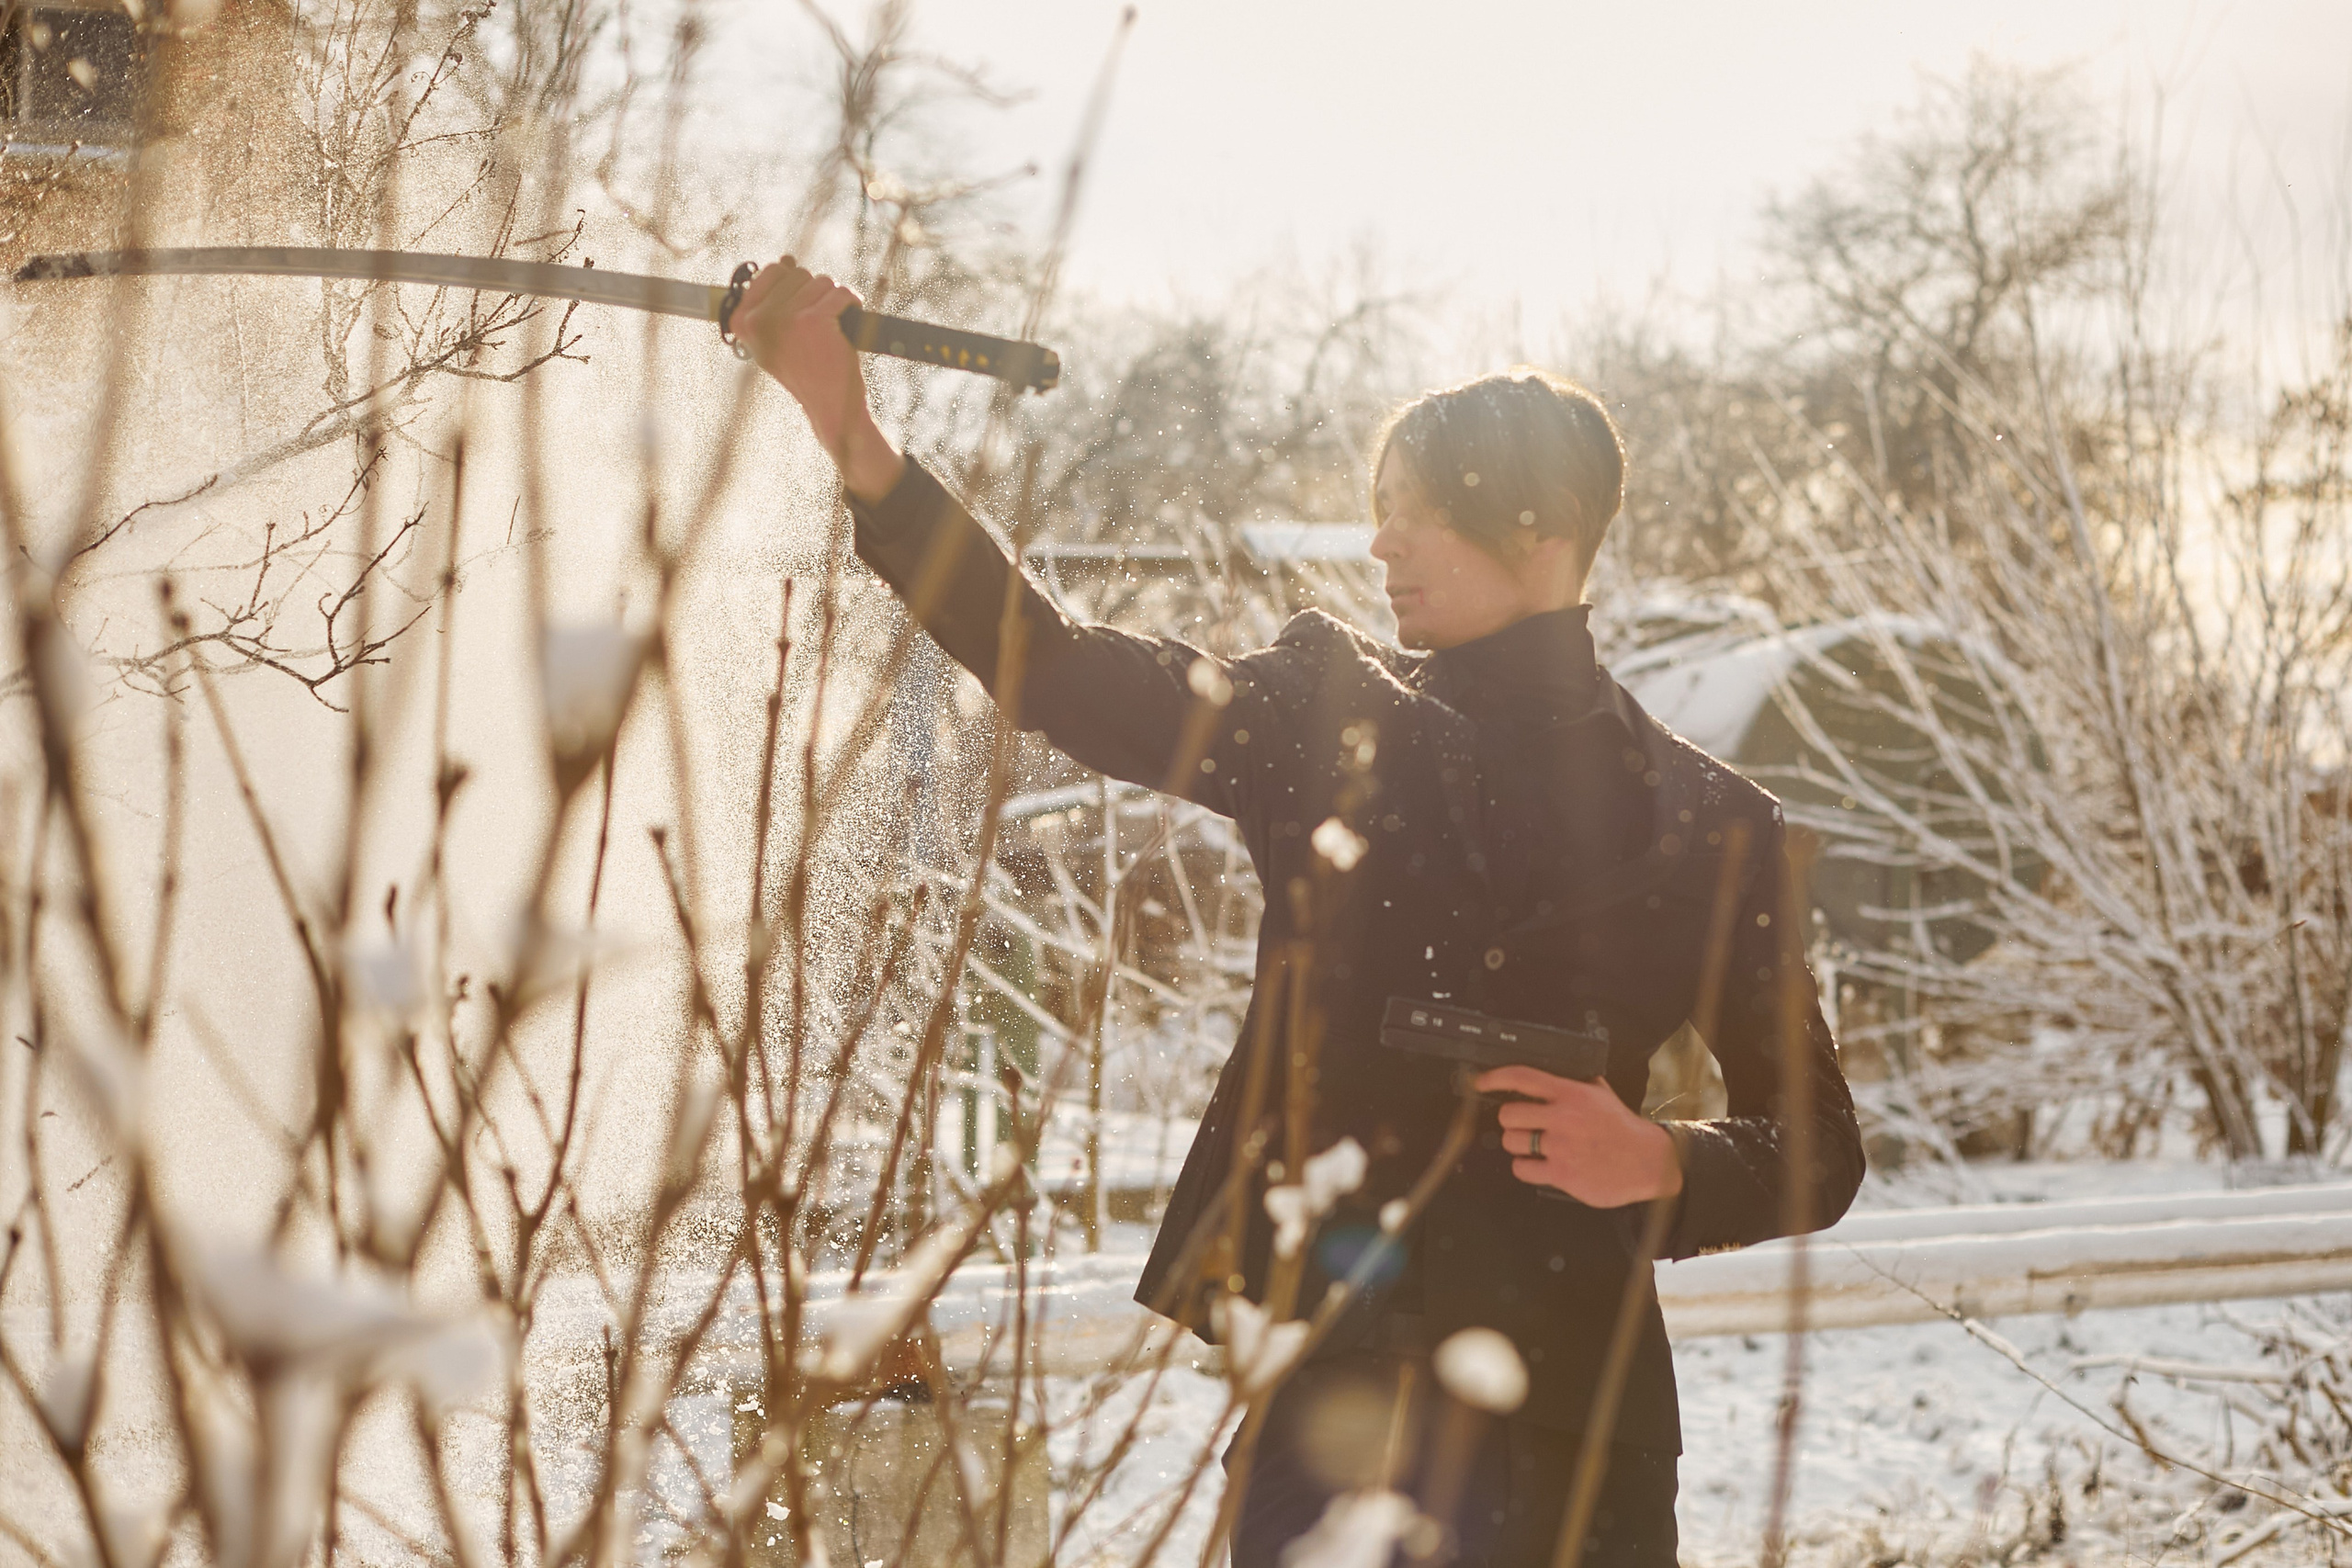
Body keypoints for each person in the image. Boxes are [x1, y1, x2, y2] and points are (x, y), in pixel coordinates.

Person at [735, 260, 1866, 1568]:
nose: (1379, 543)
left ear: (1543, 527)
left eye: (1415, 513)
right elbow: (1051, 668)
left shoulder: (1718, 824)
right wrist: (851, 432)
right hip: (1338, 1405)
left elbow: (1819, 1145)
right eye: (1377, 511)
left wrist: (1662, 1160)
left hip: (1583, 1436)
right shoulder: (1320, 716)